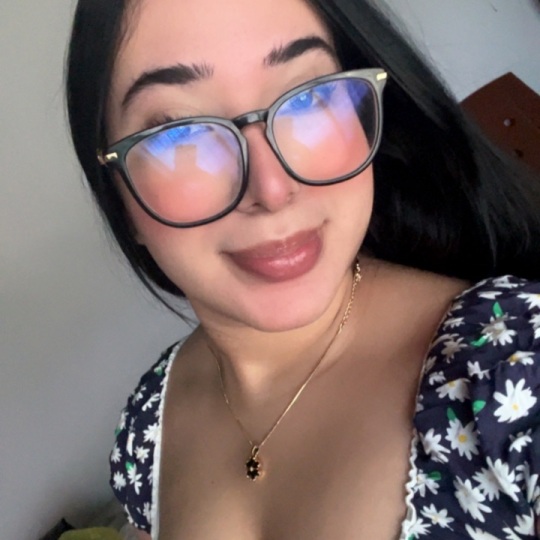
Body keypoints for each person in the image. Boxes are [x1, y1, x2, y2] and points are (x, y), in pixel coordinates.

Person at [66, 0, 540, 538]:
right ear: (118, 196)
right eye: (179, 131)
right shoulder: (147, 427)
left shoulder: (512, 366)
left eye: (309, 97)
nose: (272, 189)